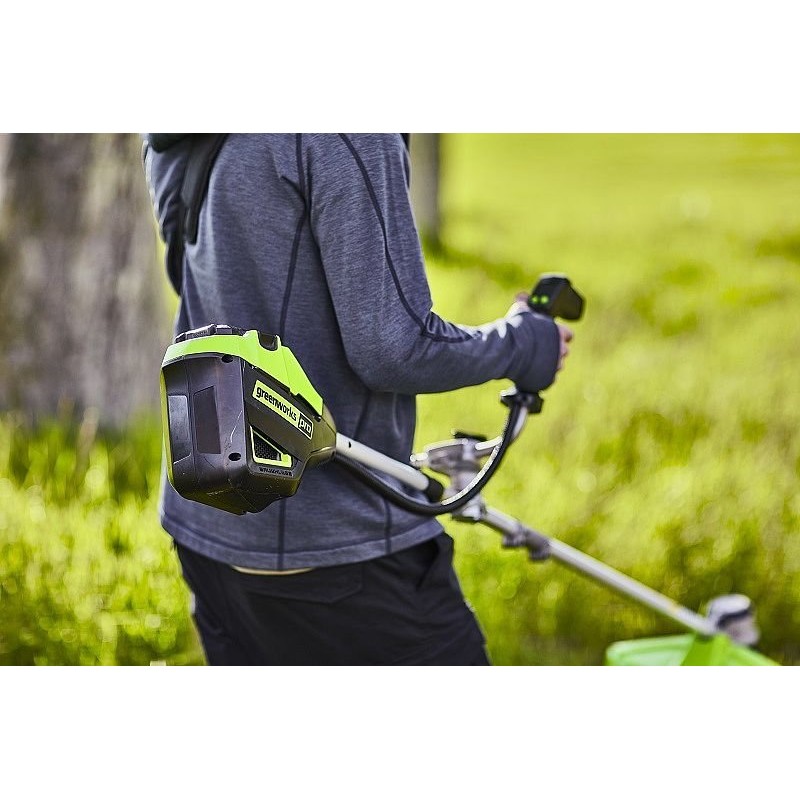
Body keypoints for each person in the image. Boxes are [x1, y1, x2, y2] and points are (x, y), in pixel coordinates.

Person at [143, 133, 572, 666]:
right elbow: (393, 348)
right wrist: (524, 344)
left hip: (204, 527)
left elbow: (199, 280)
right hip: (337, 545)